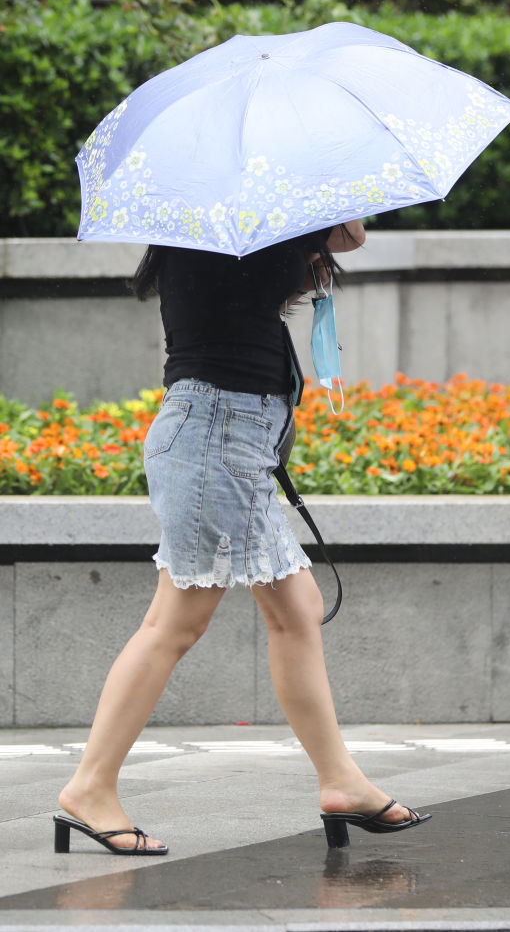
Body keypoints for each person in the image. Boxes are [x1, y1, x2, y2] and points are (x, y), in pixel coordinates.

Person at [54, 221, 430, 855]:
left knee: (298, 609)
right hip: (214, 437)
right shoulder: (209, 225)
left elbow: (343, 238)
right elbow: (349, 237)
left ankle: (341, 781)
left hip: (233, 440)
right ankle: (89, 786)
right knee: (175, 622)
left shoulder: (243, 221)